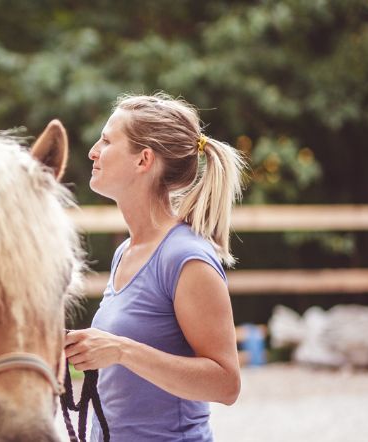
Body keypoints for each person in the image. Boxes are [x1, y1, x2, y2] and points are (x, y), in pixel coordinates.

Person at [64, 93, 246, 440]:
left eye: (106, 140)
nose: (93, 151)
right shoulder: (126, 252)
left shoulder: (186, 258)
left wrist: (121, 350)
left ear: (143, 159)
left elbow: (226, 384)